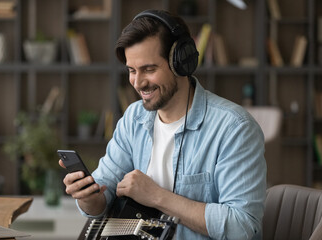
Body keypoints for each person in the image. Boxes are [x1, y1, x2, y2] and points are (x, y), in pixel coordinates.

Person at [60, 9, 266, 239]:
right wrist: (88, 198)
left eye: (149, 69)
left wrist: (158, 196)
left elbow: (243, 227)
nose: (138, 83)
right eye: (131, 71)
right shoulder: (133, 118)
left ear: (181, 62)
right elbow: (103, 192)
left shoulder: (234, 128)